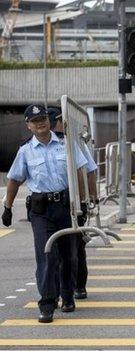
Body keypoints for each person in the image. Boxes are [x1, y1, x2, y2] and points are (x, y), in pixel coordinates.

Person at [2, 104, 88, 323]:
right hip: (41, 210)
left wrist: (82, 203)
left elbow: (79, 171)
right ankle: (47, 303)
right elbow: (14, 179)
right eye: (35, 121)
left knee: (69, 255)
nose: (40, 123)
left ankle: (67, 297)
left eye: (43, 119)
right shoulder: (25, 151)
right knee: (46, 255)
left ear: (49, 121)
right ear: (28, 125)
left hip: (66, 206)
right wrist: (7, 207)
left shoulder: (66, 144)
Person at [48, 107, 97, 300]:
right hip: (53, 204)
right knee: (54, 251)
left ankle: (79, 285)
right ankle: (59, 289)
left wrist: (89, 198)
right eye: (57, 122)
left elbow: (90, 169)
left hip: (76, 201)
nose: (60, 125)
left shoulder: (73, 142)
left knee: (75, 248)